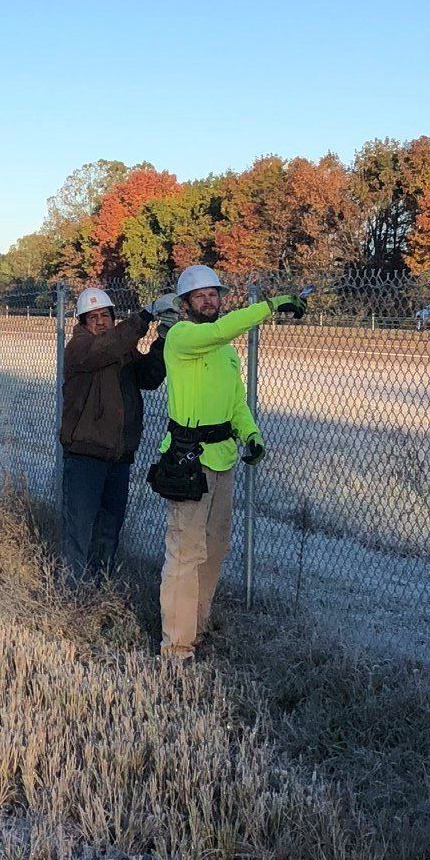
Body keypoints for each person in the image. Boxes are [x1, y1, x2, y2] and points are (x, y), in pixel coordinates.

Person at [155, 265, 306, 657]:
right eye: (200, 295)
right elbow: (221, 330)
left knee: (214, 548)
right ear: (185, 304)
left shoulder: (223, 350)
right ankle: (176, 647)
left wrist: (250, 434)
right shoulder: (184, 337)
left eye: (214, 294)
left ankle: (196, 629)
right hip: (188, 459)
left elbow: (236, 402)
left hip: (222, 459)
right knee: (185, 553)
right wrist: (270, 305)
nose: (210, 301)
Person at [57, 285, 165, 583]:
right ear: (81, 323)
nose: (100, 321)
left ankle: (100, 587)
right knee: (79, 529)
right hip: (85, 455)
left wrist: (164, 340)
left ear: (113, 318)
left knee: (108, 529)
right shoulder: (80, 349)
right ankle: (72, 592)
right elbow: (105, 350)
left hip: (118, 456)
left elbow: (150, 377)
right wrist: (145, 316)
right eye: (92, 317)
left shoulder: (123, 349)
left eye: (105, 315)